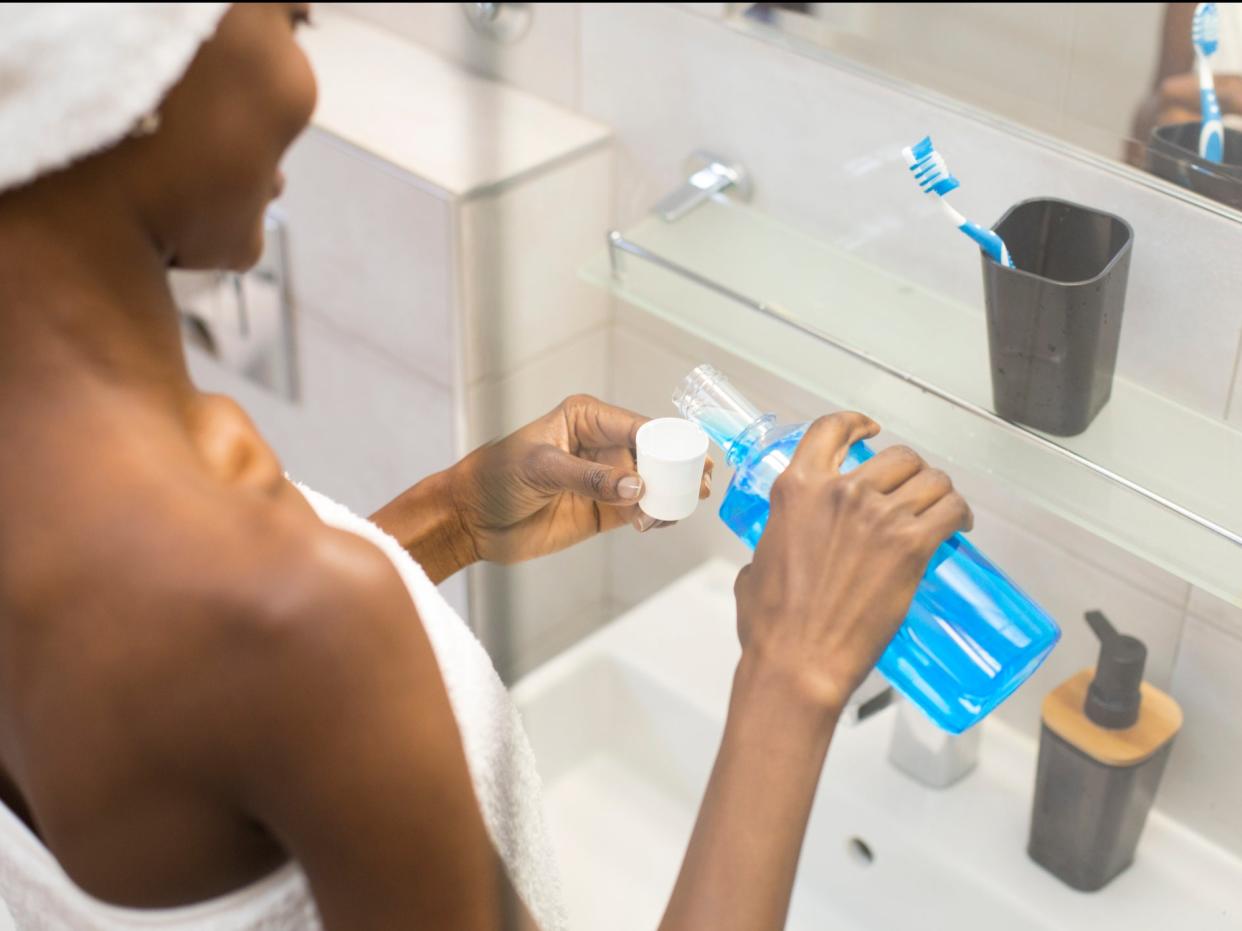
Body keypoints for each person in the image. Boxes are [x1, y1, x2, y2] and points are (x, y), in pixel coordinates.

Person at [0, 4, 971, 929]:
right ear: (126, 59)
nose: (308, 83)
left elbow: (187, 734)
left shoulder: (86, 487)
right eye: (295, 18)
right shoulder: (292, 614)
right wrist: (793, 669)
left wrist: (453, 516)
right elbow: (267, 639)